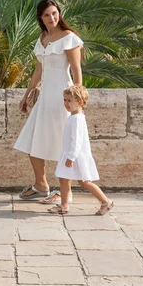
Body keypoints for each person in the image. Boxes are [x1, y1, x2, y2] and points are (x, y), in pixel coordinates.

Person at [15, 0, 83, 203]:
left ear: (59, 13)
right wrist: (26, 95)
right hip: (45, 97)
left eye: (54, 13)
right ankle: (41, 185)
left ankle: (66, 193)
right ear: (40, 18)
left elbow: (77, 69)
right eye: (47, 15)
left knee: (65, 143)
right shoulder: (42, 37)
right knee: (31, 140)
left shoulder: (68, 37)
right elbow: (38, 70)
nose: (52, 18)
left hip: (63, 95)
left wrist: (77, 99)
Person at [47, 85, 114, 215]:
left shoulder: (77, 119)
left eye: (69, 101)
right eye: (65, 100)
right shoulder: (74, 117)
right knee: (64, 179)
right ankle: (64, 206)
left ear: (80, 102)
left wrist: (71, 157)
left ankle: (106, 201)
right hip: (72, 154)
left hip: (75, 155)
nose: (66, 103)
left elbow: (77, 140)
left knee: (84, 182)